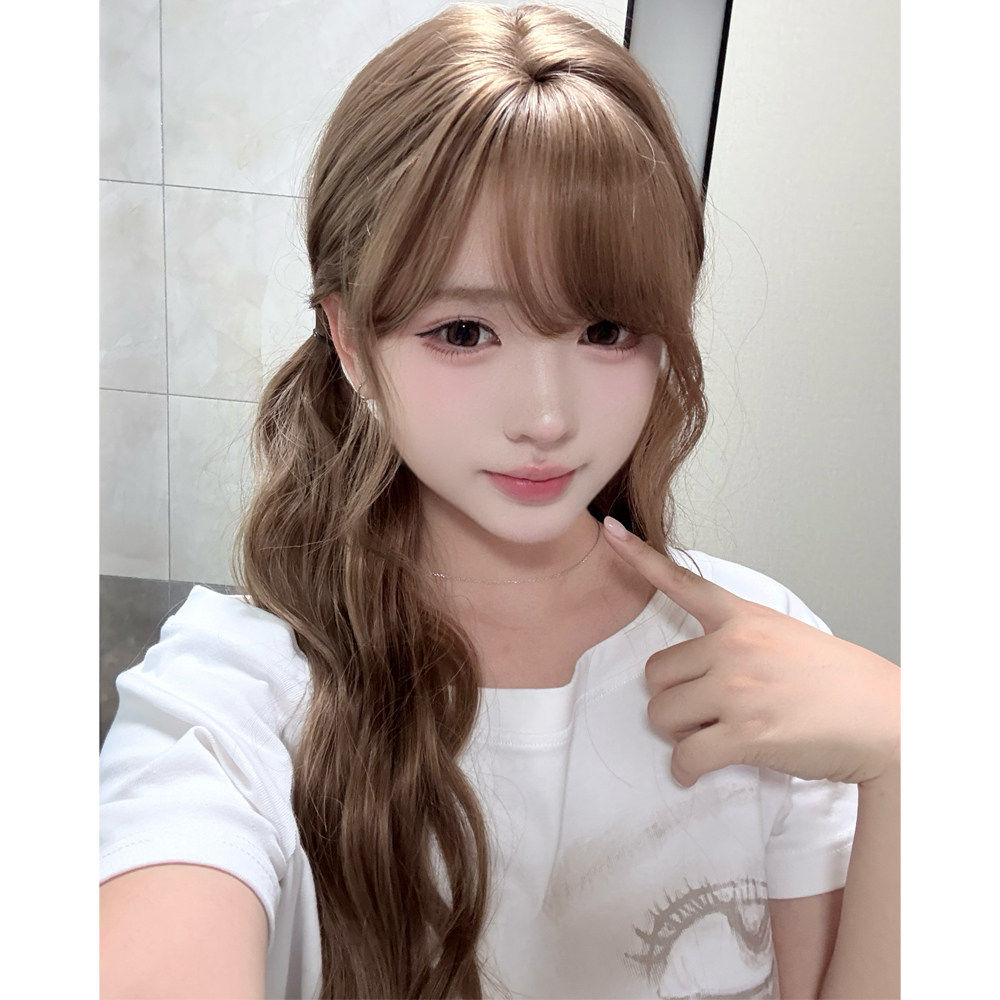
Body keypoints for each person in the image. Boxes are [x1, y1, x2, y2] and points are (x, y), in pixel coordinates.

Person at [99, 4, 900, 999]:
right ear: (350, 341)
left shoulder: (765, 651)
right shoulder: (241, 690)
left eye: (605, 330)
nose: (547, 418)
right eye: (464, 333)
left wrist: (906, 754)